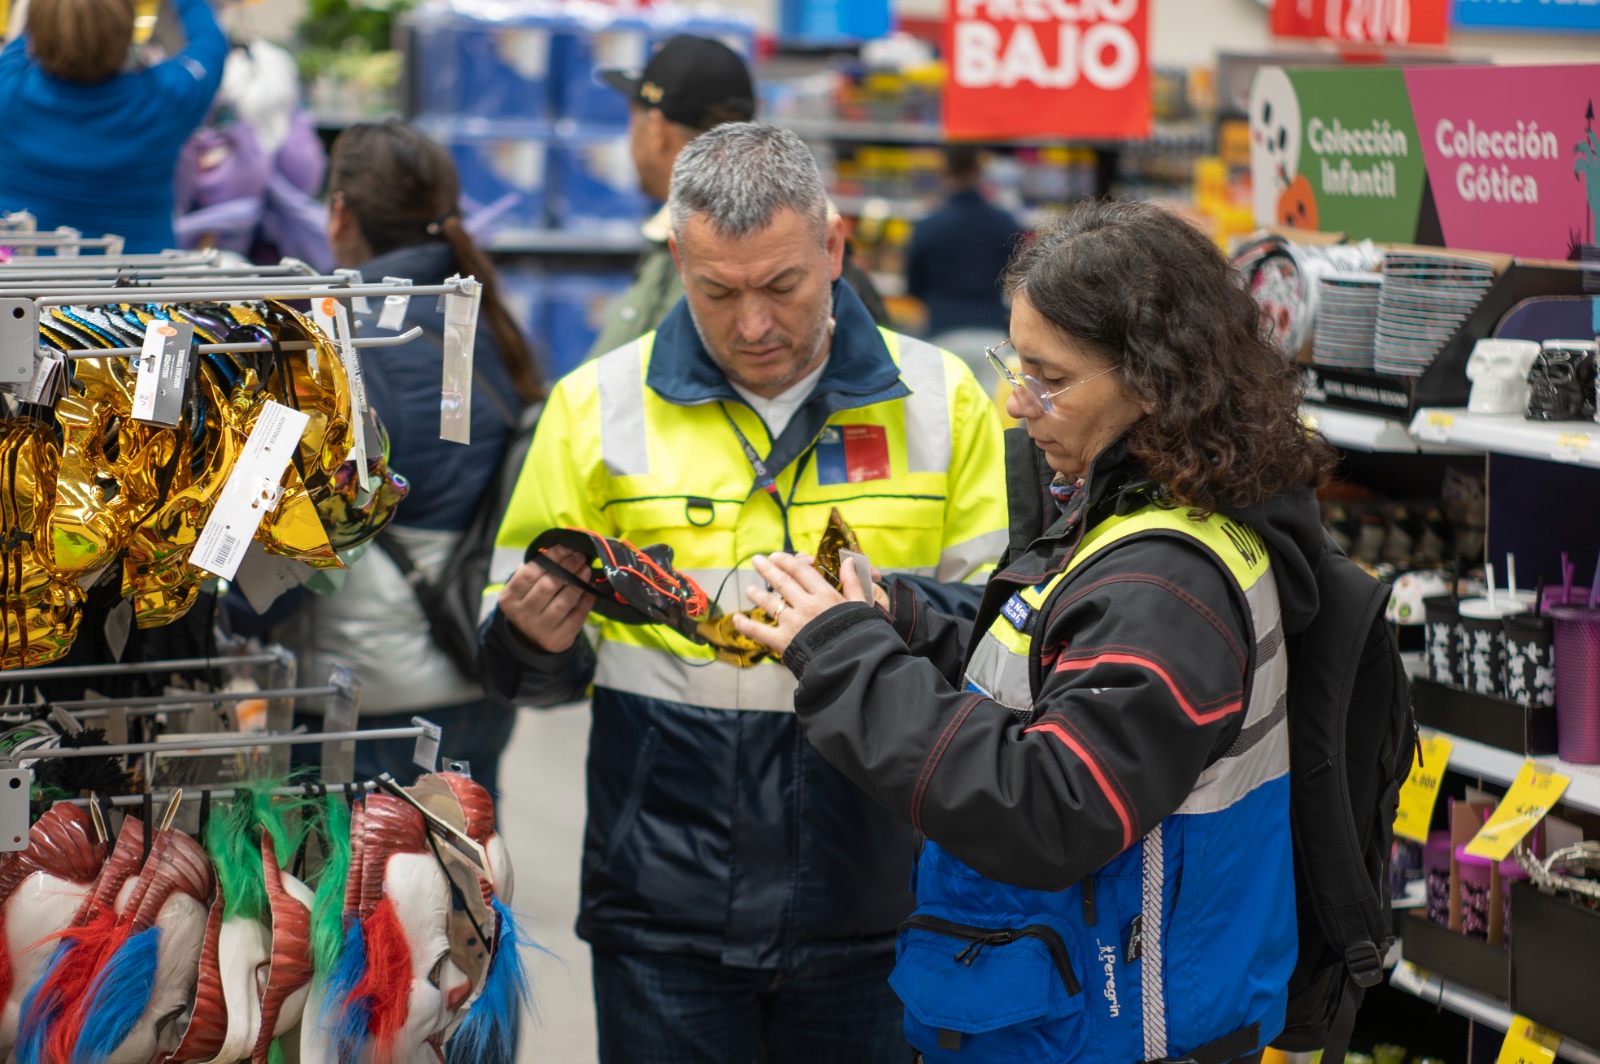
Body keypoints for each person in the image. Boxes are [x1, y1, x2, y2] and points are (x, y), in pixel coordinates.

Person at [733, 201, 1339, 1064]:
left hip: (1112, 1028)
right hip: (1078, 1009)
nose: (1017, 404)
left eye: (1048, 378)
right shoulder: (1145, 511)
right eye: (1015, 366)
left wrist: (841, 655)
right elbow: (1043, 661)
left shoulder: (1165, 584)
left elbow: (1050, 804)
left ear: (1153, 380)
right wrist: (895, 618)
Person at [479, 122, 1007, 1063]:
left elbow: (1003, 640)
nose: (754, 325)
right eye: (719, 292)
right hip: (662, 905)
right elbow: (520, 667)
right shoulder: (593, 407)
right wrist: (531, 636)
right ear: (678, 259)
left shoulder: (945, 402)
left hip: (884, 897)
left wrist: (890, 616)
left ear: (835, 246)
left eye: (783, 286)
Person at [273, 121, 545, 799]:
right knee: (467, 893)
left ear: (339, 214)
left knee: (360, 899)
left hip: (367, 699)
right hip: (475, 669)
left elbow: (291, 542)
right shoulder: (486, 325)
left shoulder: (339, 350)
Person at [588, 33, 889, 361]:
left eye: (780, 286)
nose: (753, 327)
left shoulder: (712, 247)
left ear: (656, 128)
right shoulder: (802, 236)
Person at [0, 0, 226, 252]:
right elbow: (211, 42)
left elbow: (22, 38)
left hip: (17, 281)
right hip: (140, 285)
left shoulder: (7, 89)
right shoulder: (168, 100)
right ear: (129, 30)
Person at [906, 145, 1024, 344]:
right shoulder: (1005, 222)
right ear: (978, 173)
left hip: (944, 330)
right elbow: (1019, 276)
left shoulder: (928, 225)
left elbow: (913, 284)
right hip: (994, 330)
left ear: (945, 173)